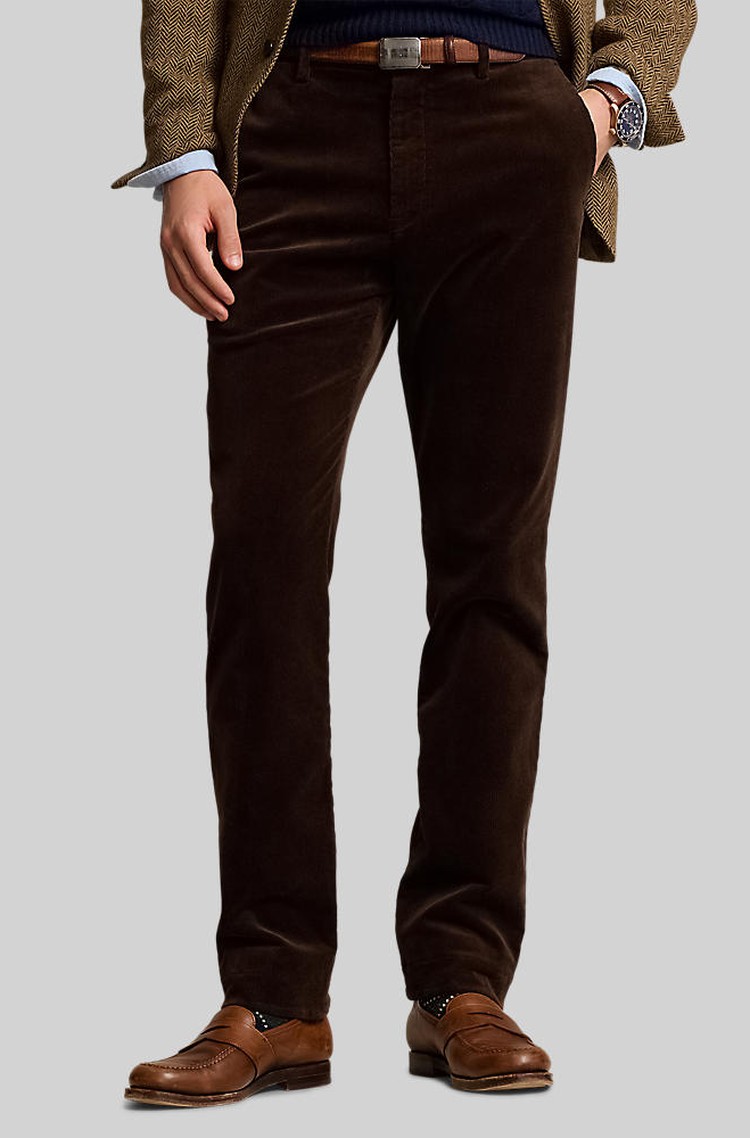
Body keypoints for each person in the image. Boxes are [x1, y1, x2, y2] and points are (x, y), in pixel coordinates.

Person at [111, 0, 697, 1106]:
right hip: (294, 125)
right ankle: (275, 995)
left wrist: (605, 104)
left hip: (512, 124)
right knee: (264, 566)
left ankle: (460, 981)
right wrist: (184, 150)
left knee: (492, 567)